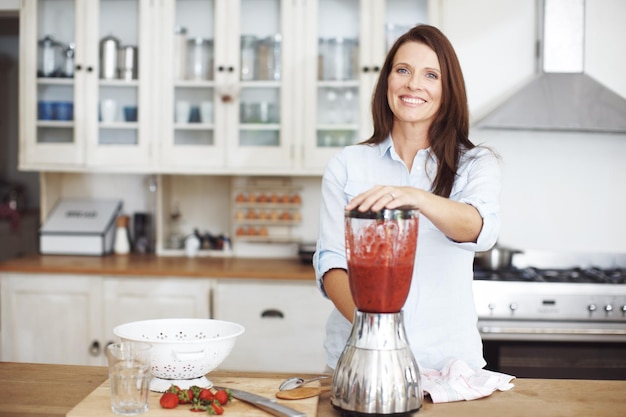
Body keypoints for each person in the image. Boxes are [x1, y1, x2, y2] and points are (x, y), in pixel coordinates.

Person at [313, 24, 501, 372]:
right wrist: (377, 334)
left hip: (446, 363)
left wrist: (417, 198)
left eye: (431, 75)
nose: (414, 84)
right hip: (360, 358)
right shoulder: (348, 165)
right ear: (387, 80)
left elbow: (478, 228)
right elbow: (332, 262)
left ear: (448, 90)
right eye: (403, 70)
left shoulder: (476, 164)